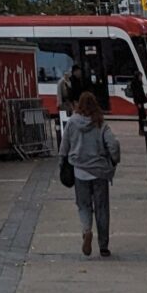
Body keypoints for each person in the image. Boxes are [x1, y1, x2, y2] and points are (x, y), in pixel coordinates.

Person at [59, 90, 121, 258]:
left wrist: (62, 164)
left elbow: (64, 147)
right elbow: (113, 144)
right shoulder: (101, 123)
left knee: (84, 205)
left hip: (80, 171)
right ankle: (103, 246)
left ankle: (87, 231)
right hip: (99, 171)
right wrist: (114, 160)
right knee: (102, 208)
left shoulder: (72, 122)